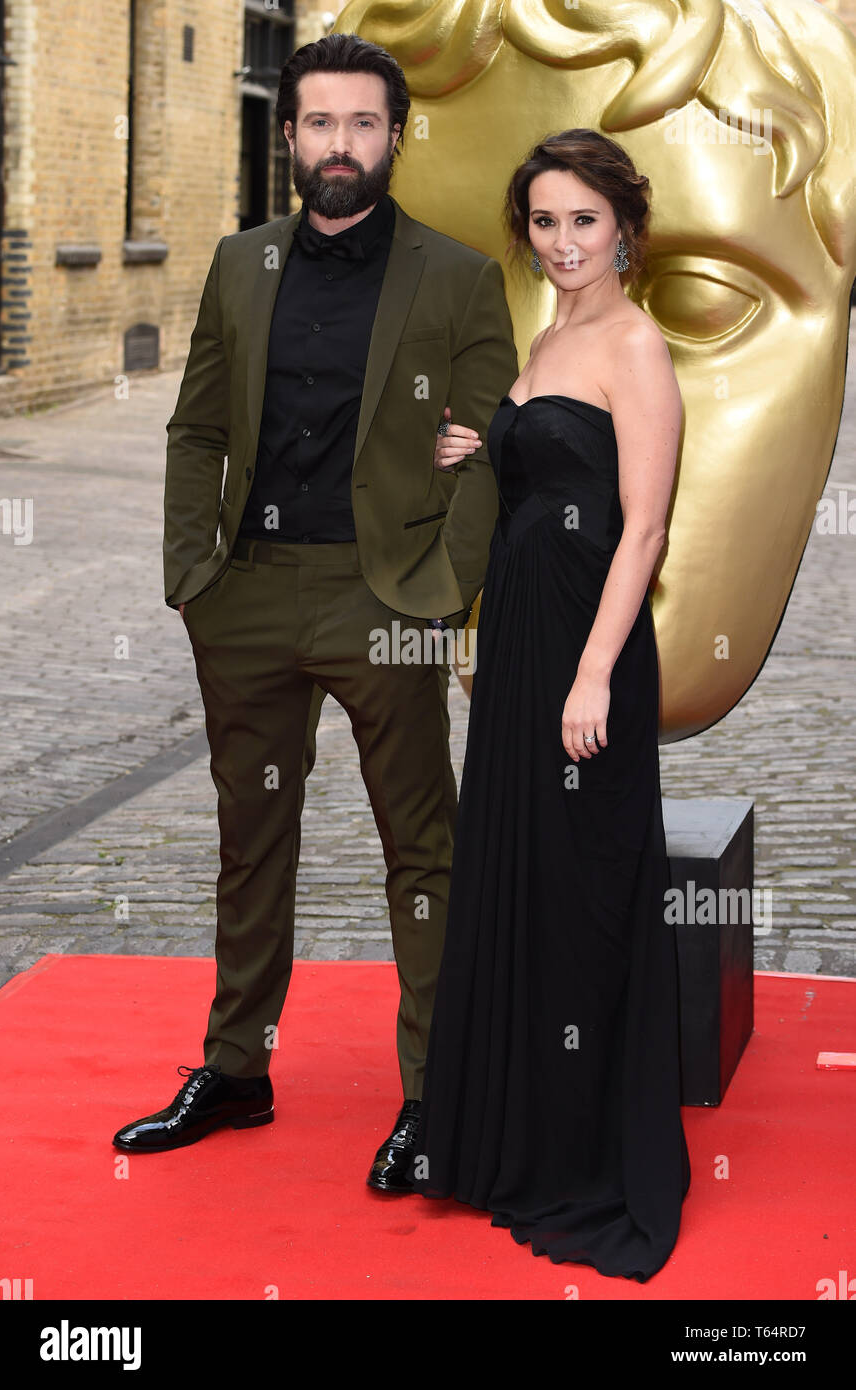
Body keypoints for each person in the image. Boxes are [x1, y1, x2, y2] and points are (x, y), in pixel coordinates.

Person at [112, 33, 518, 1187]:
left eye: (362, 124)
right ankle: (238, 1066)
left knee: (418, 847)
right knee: (251, 840)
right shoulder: (241, 262)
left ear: (395, 136)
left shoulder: (454, 277)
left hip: (380, 595)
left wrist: (442, 592)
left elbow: (487, 452)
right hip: (244, 595)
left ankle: (436, 1097)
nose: (339, 145)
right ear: (286, 136)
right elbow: (196, 427)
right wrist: (193, 571)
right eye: (318, 123)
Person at [410, 129, 691, 1281]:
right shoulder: (552, 329)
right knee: (522, 870)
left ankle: (582, 1152)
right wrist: (483, 443)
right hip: (522, 639)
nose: (563, 241)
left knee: (581, 887)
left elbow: (644, 525)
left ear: (622, 225)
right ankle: (515, 1133)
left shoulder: (631, 339)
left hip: (589, 647)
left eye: (583, 219)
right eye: (543, 221)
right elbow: (548, 472)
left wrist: (590, 671)